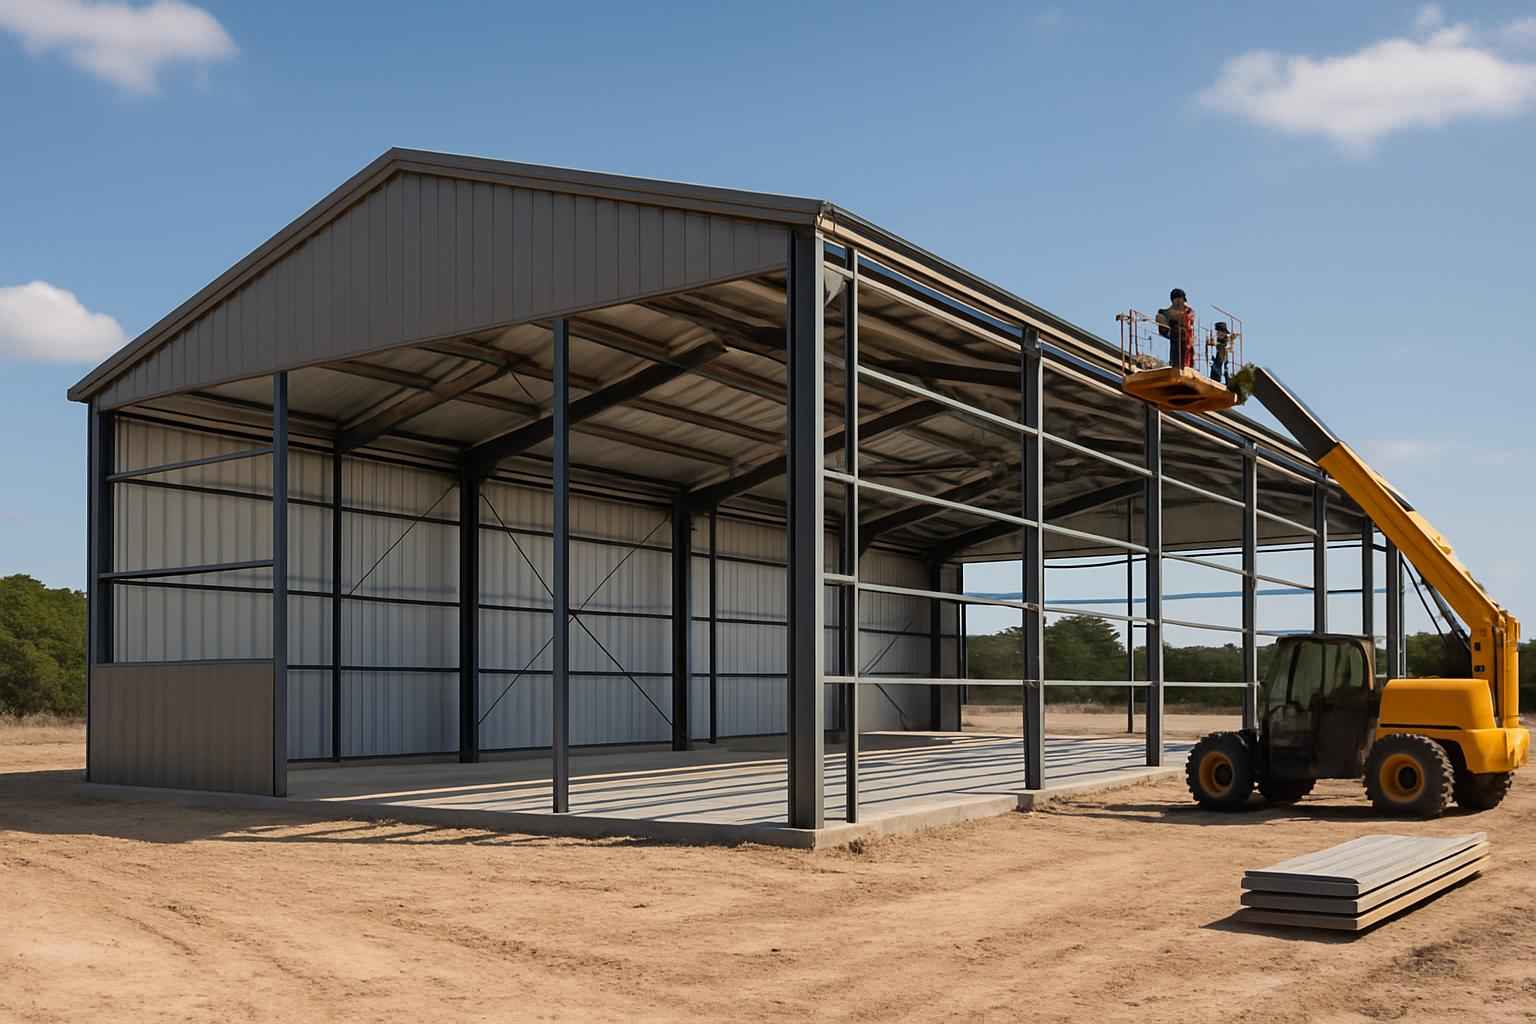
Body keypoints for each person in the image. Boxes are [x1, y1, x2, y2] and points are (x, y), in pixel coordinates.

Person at [1155, 288, 1194, 369]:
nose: (1181, 303)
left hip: (1185, 343)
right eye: (1179, 300)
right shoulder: (1165, 313)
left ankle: (1181, 366)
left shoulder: (1188, 312)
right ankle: (1177, 366)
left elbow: (1188, 317)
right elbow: (1161, 320)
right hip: (1176, 339)